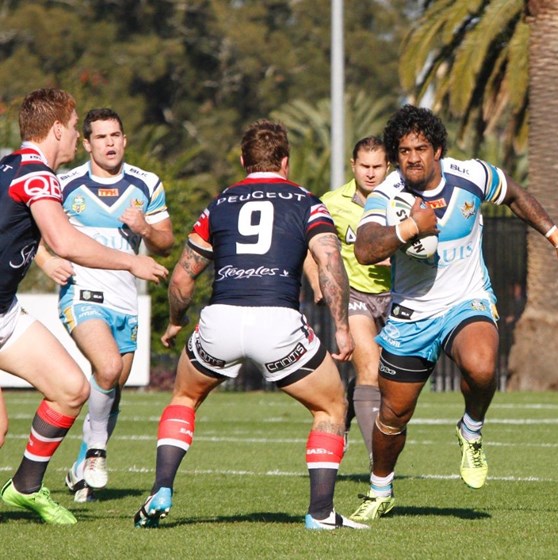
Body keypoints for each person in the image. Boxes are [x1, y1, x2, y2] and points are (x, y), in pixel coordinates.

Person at [348, 105, 558, 522]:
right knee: (393, 415)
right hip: (411, 315)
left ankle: (471, 429)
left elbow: (514, 194)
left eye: (421, 148)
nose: (413, 157)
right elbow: (365, 249)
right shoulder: (388, 194)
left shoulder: (471, 175)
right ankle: (380, 488)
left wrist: (557, 237)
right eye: (403, 151)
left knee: (481, 365)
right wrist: (408, 229)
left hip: (466, 300)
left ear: (437, 149)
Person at [133, 119, 367, 530]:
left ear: (243, 161)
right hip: (276, 323)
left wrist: (175, 321)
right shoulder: (306, 202)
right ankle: (321, 513)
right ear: (286, 162)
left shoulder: (220, 203)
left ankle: (162, 488)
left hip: (220, 320)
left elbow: (183, 278)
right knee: (330, 406)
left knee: (184, 399)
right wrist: (342, 327)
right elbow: (330, 264)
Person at [0, 88, 167, 525]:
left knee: (71, 388)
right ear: (57, 129)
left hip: (5, 313)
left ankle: (25, 487)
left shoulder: (12, 169)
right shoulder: (37, 176)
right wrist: (133, 260)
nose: (78, 138)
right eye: (76, 129)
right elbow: (64, 241)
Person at [34, 108, 174, 503]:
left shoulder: (147, 184)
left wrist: (144, 228)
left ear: (125, 140)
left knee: (110, 386)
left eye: (116, 135)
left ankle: (81, 469)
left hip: (125, 299)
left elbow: (165, 241)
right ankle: (97, 455)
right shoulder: (64, 183)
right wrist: (48, 261)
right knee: (108, 367)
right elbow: (31, 233)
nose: (110, 143)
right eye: (100, 137)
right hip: (82, 293)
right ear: (86, 143)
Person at [304, 136, 390, 459]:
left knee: (385, 376)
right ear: (353, 165)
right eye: (364, 166)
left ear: (388, 167)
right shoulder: (331, 203)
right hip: (355, 295)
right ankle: (379, 465)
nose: (370, 173)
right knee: (369, 364)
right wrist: (317, 284)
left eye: (377, 167)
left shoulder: (402, 199)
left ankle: (351, 408)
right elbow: (310, 248)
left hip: (397, 296)